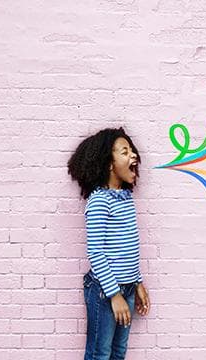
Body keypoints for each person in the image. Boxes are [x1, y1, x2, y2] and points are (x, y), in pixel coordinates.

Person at [67, 127, 150, 360]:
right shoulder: (100, 201)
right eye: (125, 152)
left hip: (128, 288)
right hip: (106, 291)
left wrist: (138, 282)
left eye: (132, 151)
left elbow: (128, 249)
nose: (133, 155)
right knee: (99, 354)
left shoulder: (124, 198)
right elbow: (96, 252)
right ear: (109, 164)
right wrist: (115, 295)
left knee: (118, 353)